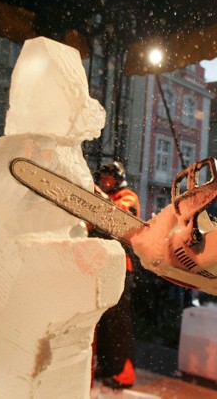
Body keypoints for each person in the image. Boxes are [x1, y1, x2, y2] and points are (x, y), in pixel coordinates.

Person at [90, 160, 141, 390]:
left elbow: (120, 216)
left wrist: (98, 196)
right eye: (102, 178)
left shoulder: (127, 196)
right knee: (103, 320)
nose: (104, 181)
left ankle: (124, 372)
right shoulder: (101, 202)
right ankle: (107, 365)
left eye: (108, 178)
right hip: (101, 265)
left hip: (121, 267)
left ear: (117, 179)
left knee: (118, 323)